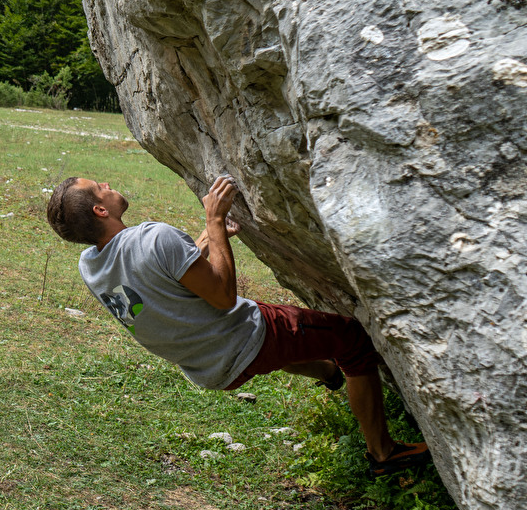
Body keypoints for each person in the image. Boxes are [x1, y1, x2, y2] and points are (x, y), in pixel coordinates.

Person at [46, 175, 431, 477]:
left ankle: (331, 376)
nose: (109, 186)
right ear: (100, 210)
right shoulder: (154, 237)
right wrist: (214, 221)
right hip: (244, 337)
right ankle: (383, 452)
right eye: (101, 188)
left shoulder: (91, 265)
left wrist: (205, 241)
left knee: (282, 352)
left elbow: (160, 278)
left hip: (208, 367)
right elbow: (225, 297)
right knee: (353, 338)